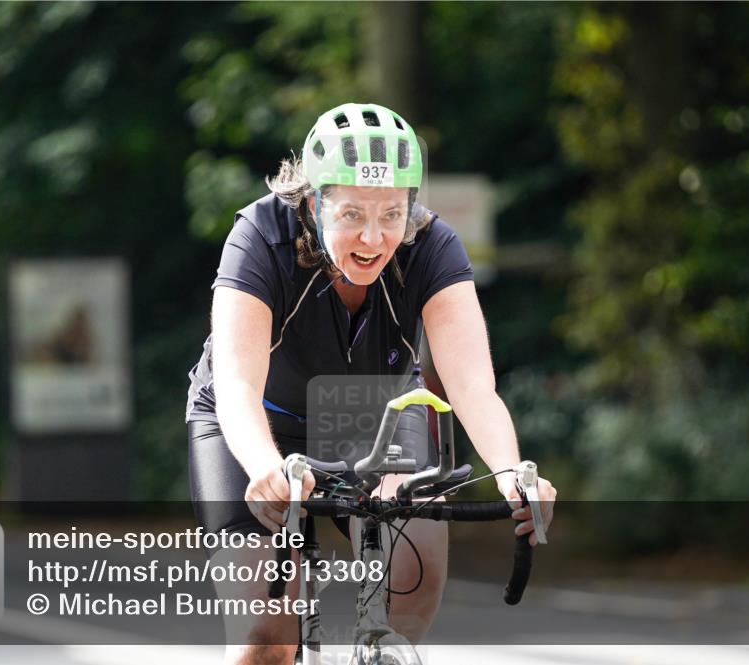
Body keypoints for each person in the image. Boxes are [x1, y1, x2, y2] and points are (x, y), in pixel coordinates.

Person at [187, 102, 557, 664]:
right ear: (313, 203)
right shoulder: (259, 237)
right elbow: (237, 384)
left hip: (370, 415)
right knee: (265, 634)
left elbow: (473, 388)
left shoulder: (432, 246)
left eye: (391, 214)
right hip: (256, 422)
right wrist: (265, 469)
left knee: (416, 574)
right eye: (352, 214)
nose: (373, 237)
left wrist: (511, 473)